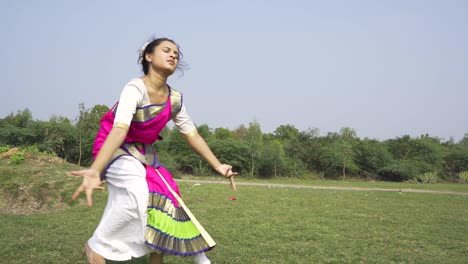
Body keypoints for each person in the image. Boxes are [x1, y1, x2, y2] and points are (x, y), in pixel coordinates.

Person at [69, 37, 237, 264]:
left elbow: (192, 134)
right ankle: (97, 244)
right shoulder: (134, 88)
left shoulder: (175, 99)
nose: (173, 56)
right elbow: (119, 130)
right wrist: (95, 170)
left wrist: (218, 165)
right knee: (137, 191)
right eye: (167, 51)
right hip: (114, 146)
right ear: (148, 56)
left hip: (144, 154)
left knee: (168, 199)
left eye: (176, 54)